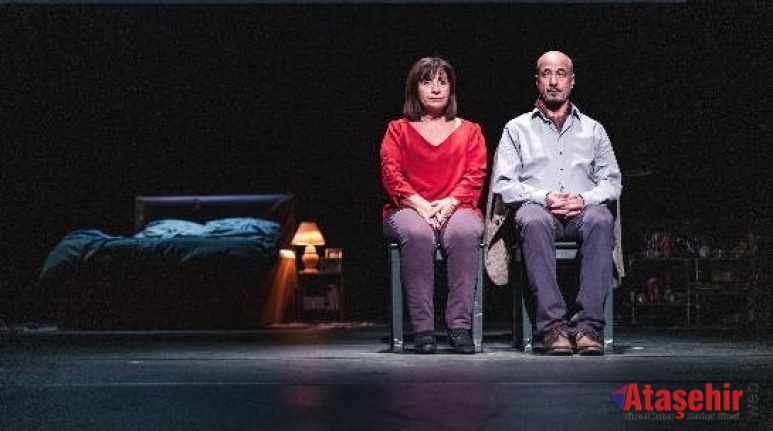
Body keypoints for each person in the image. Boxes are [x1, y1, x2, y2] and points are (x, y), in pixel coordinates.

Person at [485, 51, 622, 355]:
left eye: (561, 74)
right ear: (537, 81)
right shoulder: (516, 128)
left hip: (582, 211)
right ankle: (553, 328)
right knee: (533, 221)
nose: (554, 81)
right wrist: (543, 197)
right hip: (538, 210)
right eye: (546, 73)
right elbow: (504, 184)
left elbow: (612, 182)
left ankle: (587, 327)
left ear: (572, 81)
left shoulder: (593, 129)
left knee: (601, 219)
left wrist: (583, 199)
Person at [381, 57, 487, 354]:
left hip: (458, 205)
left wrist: (449, 203)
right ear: (415, 88)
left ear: (451, 88)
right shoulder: (398, 130)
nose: (436, 89)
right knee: (417, 234)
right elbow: (391, 174)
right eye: (427, 82)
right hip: (407, 208)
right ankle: (423, 329)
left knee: (464, 232)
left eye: (442, 82)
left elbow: (475, 174)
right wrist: (420, 205)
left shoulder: (470, 130)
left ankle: (459, 326)